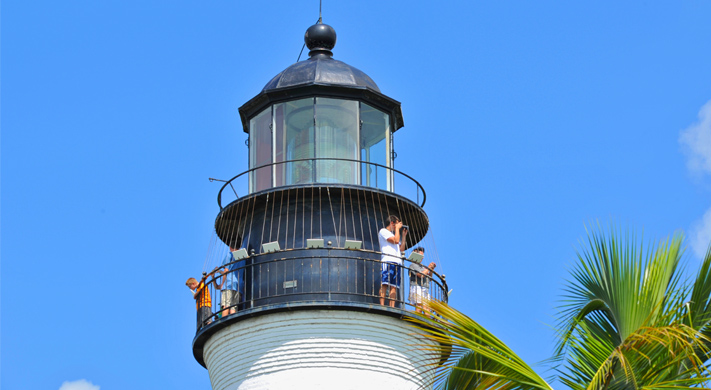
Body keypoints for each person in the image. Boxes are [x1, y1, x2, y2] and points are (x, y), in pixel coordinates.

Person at [378, 215, 408, 307]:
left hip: (396, 262)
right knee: (384, 283)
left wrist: (403, 236)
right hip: (388, 260)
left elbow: (401, 248)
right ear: (392, 223)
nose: (398, 226)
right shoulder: (383, 231)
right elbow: (395, 240)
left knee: (394, 286)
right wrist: (398, 230)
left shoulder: (395, 234)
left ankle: (392, 306)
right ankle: (382, 305)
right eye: (397, 224)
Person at [216, 247, 245, 318]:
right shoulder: (243, 257)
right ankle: (233, 320)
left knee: (226, 305)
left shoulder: (230, 255)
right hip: (238, 285)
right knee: (233, 308)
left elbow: (226, 270)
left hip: (229, 283)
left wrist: (223, 283)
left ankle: (224, 323)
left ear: (231, 247)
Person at [408, 247, 436, 314]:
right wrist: (428, 268)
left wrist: (431, 270)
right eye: (421, 255)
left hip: (424, 288)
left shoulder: (422, 267)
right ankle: (418, 320)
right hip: (417, 286)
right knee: (419, 306)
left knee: (427, 307)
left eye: (422, 256)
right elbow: (421, 275)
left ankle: (428, 323)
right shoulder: (413, 265)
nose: (422, 257)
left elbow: (429, 278)